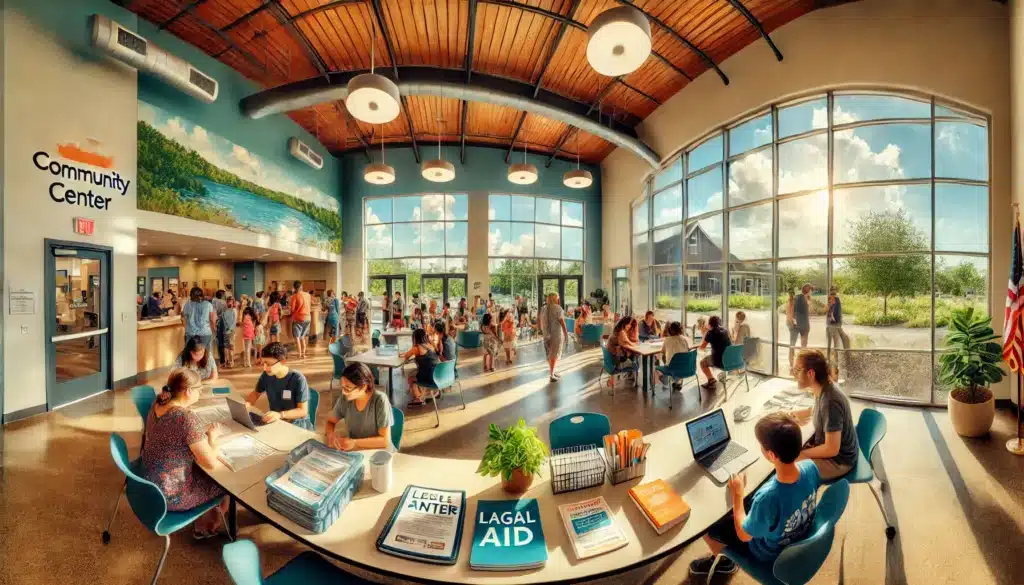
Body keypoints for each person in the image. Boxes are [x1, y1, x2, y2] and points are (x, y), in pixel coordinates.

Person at [688, 412, 821, 579]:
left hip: (766, 553)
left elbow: (744, 535)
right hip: (796, 537)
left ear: (771, 455)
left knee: (707, 525)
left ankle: (725, 563)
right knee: (749, 503)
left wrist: (738, 494)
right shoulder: (811, 467)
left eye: (761, 446)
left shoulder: (767, 498)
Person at [141, 368, 228, 539]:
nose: (200, 393)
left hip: (151, 485)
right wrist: (213, 438)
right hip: (173, 496)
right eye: (199, 390)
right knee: (225, 485)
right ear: (188, 391)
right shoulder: (185, 417)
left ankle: (206, 522)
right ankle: (209, 526)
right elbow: (210, 463)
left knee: (200, 472)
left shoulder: (158, 404)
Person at [790, 350, 858, 480]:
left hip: (838, 461)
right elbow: (819, 410)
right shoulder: (823, 387)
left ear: (811, 374)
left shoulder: (830, 401)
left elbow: (831, 449)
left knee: (787, 466)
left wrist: (802, 454)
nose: (794, 374)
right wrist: (800, 413)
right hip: (835, 452)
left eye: (797, 370)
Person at [325, 362, 395, 452]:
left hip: (380, 453)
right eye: (342, 387)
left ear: (363, 387)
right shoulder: (345, 399)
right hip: (356, 451)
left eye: (348, 388)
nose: (343, 392)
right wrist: (330, 434)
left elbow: (384, 441)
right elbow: (330, 421)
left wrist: (354, 442)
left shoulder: (380, 400)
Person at [243, 342, 313, 430]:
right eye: (263, 363)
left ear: (283, 361)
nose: (265, 368)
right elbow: (256, 393)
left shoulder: (297, 378)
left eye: (268, 364)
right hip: (278, 422)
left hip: (297, 425)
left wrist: (280, 415)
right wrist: (247, 404)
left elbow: (302, 411)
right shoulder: (266, 376)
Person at [403, 328, 440, 407]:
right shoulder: (430, 345)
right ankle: (428, 393)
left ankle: (418, 398)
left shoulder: (417, 348)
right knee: (415, 372)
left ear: (415, 338)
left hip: (429, 377)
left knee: (411, 378)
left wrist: (413, 347)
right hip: (438, 375)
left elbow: (406, 356)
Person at [539, 293, 569, 382]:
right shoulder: (558, 308)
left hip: (546, 335)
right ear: (555, 298)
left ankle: (552, 371)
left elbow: (541, 321)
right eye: (558, 298)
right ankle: (551, 374)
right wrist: (566, 333)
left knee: (550, 353)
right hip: (556, 334)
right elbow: (562, 322)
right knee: (554, 354)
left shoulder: (543, 308)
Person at [698, 315, 731, 390]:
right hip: (729, 359)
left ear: (710, 323)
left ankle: (711, 379)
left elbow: (702, 347)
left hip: (719, 361)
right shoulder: (725, 330)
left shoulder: (710, 333)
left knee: (702, 363)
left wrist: (696, 346)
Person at [180, 286, 216, 351]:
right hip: (205, 333)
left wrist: (186, 327)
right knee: (207, 354)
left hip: (190, 333)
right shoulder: (208, 304)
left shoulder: (187, 304)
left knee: (190, 354)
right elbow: (212, 319)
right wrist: (214, 330)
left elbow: (182, 317)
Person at [660, 321, 691, 389]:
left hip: (672, 367)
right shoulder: (684, 339)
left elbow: (663, 352)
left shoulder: (667, 340)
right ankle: (677, 380)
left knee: (664, 357)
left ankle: (669, 376)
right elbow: (688, 350)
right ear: (681, 330)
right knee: (679, 358)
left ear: (670, 330)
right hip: (685, 367)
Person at [289, 280, 312, 360]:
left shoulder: (294, 296)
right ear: (301, 286)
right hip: (308, 317)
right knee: (303, 336)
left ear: (294, 288)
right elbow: (309, 305)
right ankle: (303, 354)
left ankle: (299, 354)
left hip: (299, 318)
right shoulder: (308, 295)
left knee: (297, 337)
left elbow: (292, 309)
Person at [826, 286, 850, 352]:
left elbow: (836, 311)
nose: (834, 292)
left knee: (832, 341)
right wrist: (837, 322)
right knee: (835, 341)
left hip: (832, 323)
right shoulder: (832, 299)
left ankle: (832, 356)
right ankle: (835, 356)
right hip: (833, 323)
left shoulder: (834, 299)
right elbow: (833, 311)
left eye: (834, 290)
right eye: (833, 290)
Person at [221, 298, 238, 368]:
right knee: (229, 347)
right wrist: (230, 328)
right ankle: (230, 362)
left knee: (227, 347)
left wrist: (228, 328)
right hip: (230, 331)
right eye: (229, 302)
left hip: (227, 331)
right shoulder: (232, 311)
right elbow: (234, 321)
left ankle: (228, 362)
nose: (229, 303)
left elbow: (226, 321)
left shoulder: (224, 311)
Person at [212, 290, 228, 366]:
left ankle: (221, 360)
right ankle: (224, 360)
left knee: (219, 342)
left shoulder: (213, 301)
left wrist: (214, 324)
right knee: (223, 342)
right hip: (223, 322)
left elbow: (213, 313)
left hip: (217, 322)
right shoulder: (224, 303)